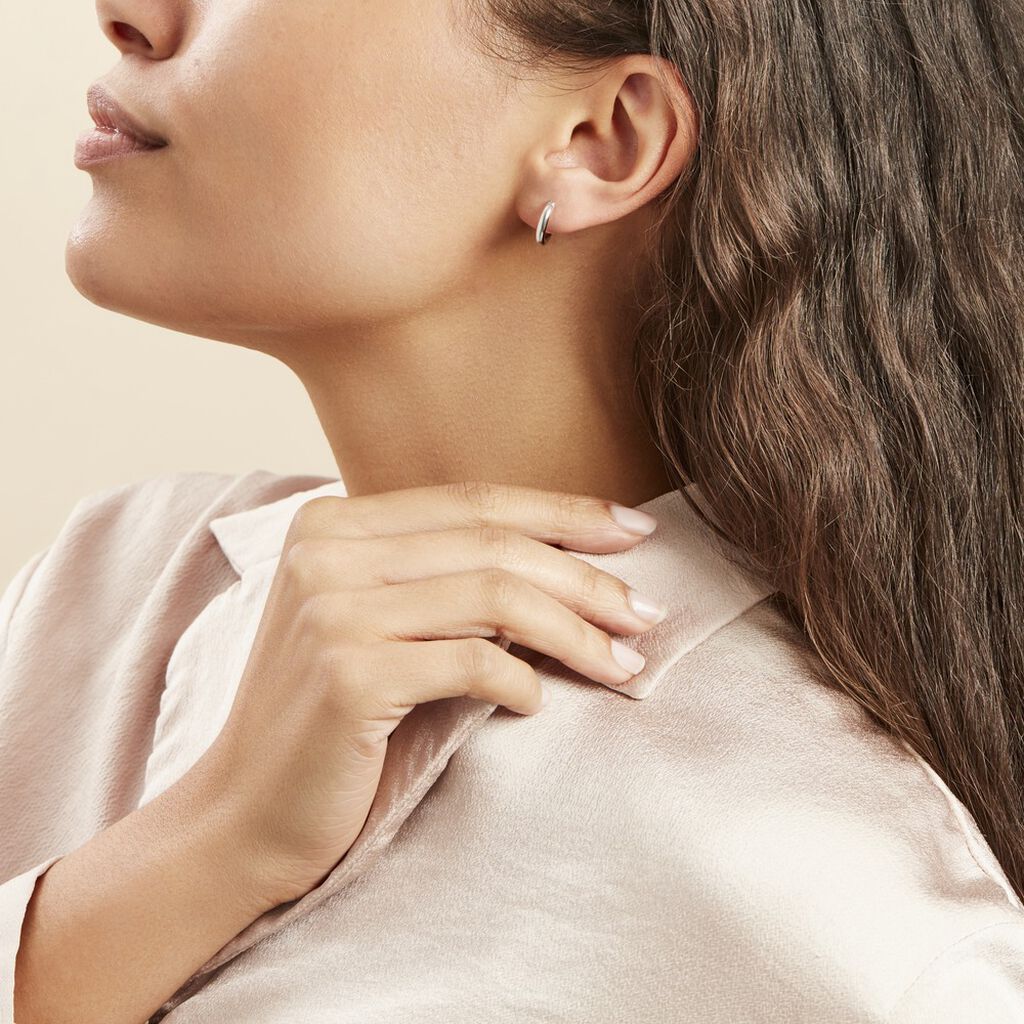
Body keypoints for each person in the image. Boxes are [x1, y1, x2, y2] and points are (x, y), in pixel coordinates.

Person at [2, 0, 1023, 1021]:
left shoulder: (833, 908)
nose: (128, 14)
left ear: (600, 141)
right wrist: (205, 846)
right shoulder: (108, 589)